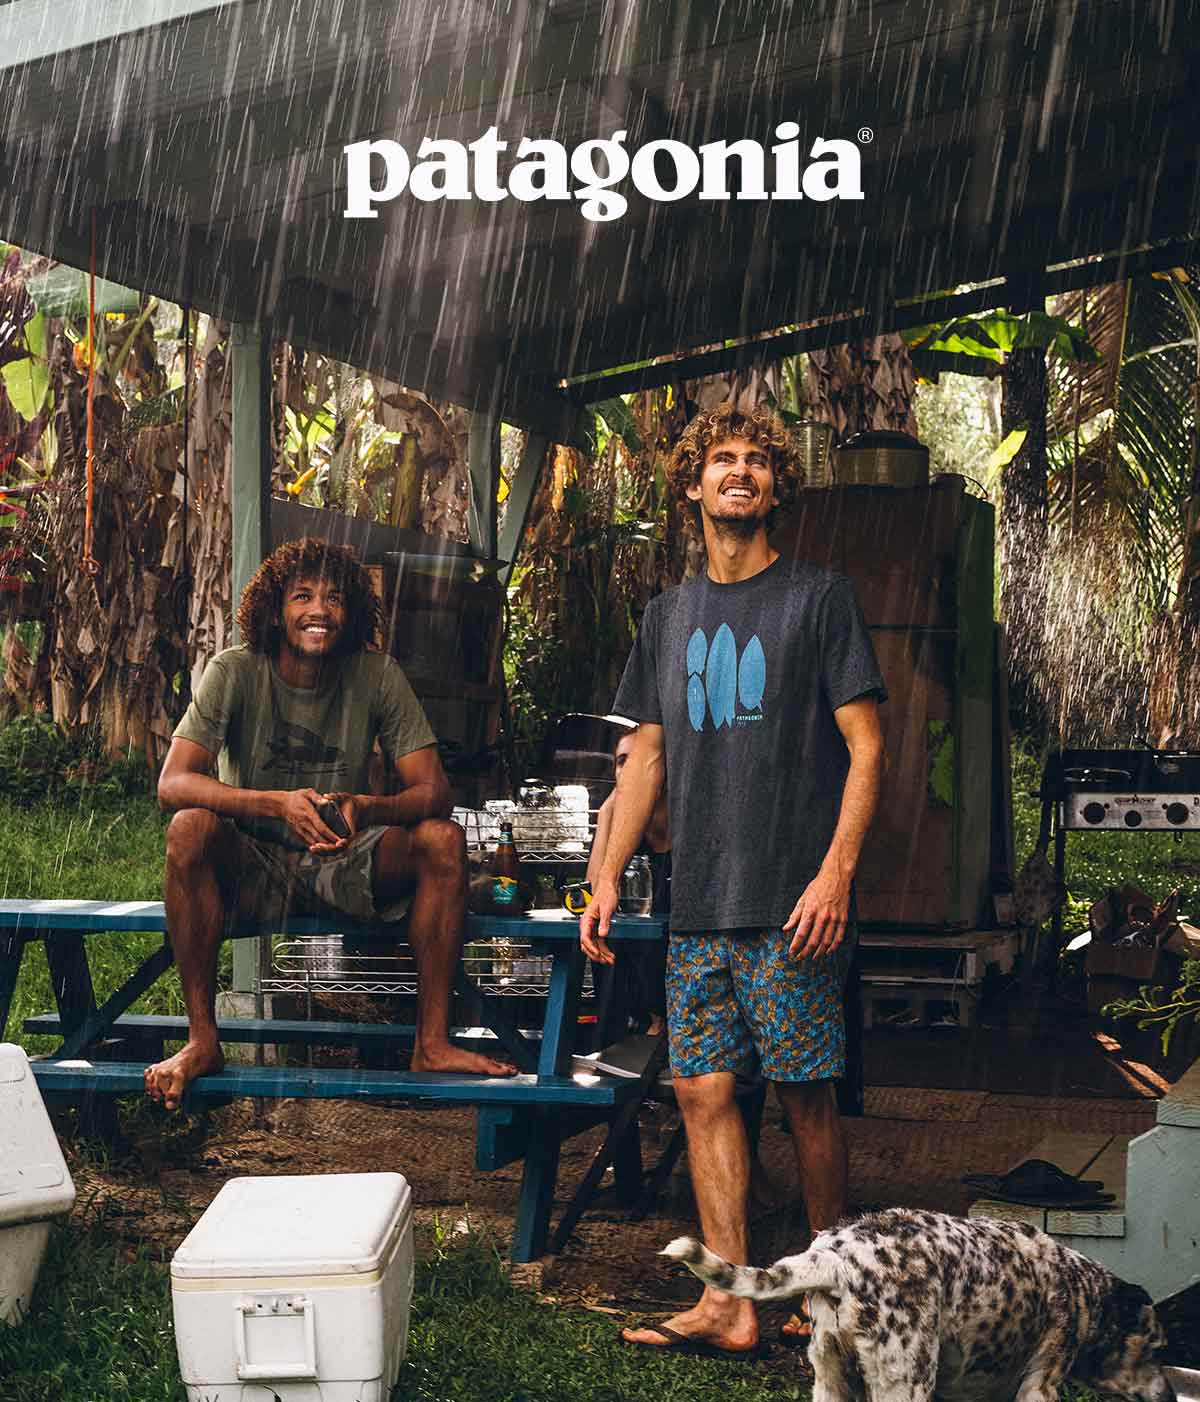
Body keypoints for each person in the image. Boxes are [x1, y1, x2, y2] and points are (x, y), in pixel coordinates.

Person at [580, 402, 886, 1358]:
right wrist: (605, 875)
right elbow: (646, 761)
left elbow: (868, 747)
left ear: (774, 488)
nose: (740, 472)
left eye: (757, 461)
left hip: (792, 900)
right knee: (704, 1090)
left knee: (806, 1096)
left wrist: (835, 875)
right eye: (722, 459)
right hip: (698, 905)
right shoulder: (667, 617)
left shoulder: (819, 597)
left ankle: (835, 1293)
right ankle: (729, 1301)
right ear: (693, 485)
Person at [145, 538, 511, 1110]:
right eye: (303, 596)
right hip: (255, 861)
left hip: (349, 858)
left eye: (335, 598)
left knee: (443, 840)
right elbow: (174, 784)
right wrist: (273, 803)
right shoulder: (235, 671)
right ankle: (202, 1039)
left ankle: (432, 1043)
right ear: (274, 609)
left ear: (353, 613)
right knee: (189, 828)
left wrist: (369, 807)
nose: (320, 610)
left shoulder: (375, 674)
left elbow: (434, 789)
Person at [586, 726, 671, 1036]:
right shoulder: (625, 844)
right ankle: (612, 1043)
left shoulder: (684, 831)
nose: (631, 769)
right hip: (634, 980)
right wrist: (609, 811)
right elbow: (595, 892)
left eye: (638, 760)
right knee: (604, 930)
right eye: (622, 761)